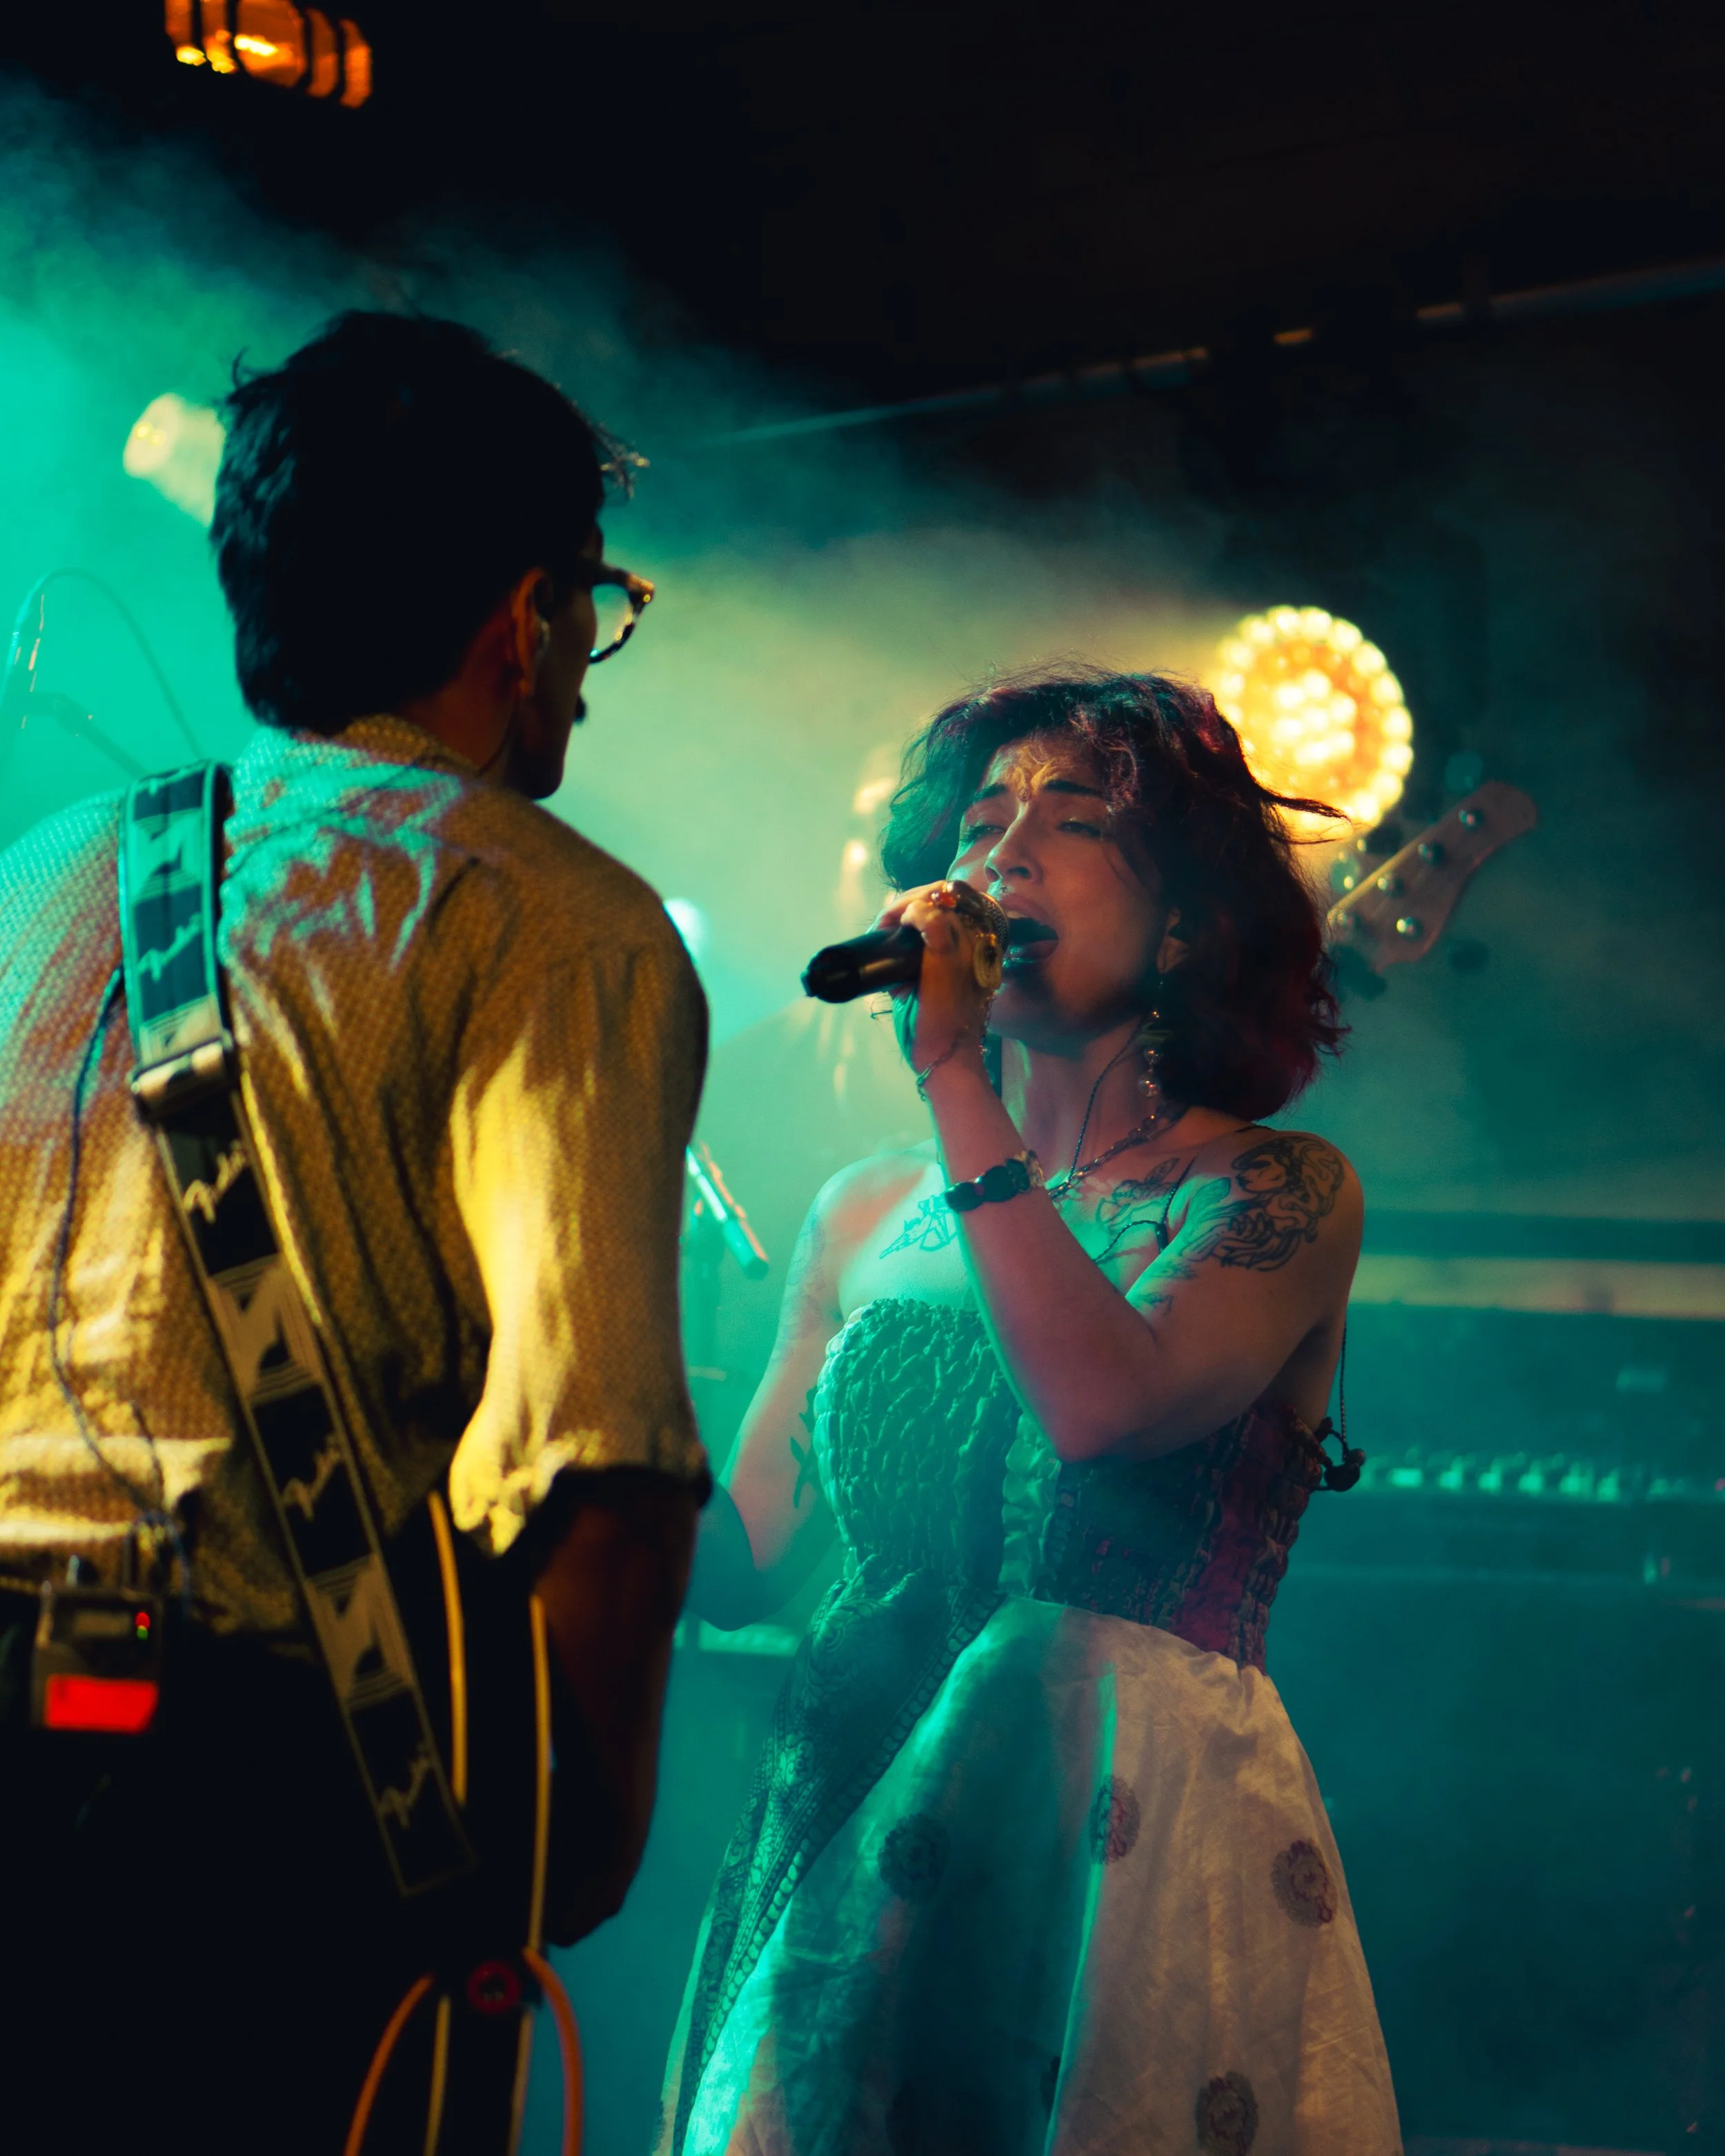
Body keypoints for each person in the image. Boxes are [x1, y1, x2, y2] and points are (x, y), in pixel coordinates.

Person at [0, 313, 708, 2153]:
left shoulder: (35, 871)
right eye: (591, 615)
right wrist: (569, 1846)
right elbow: (599, 1460)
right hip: (245, 1795)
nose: (582, 663)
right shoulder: (554, 920)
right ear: (524, 616)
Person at [659, 669, 1401, 2155]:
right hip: (845, 1816)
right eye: (981, 823)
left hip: (1123, 1843)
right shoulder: (861, 1209)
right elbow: (746, 1557)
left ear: (1183, 920)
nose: (1002, 857)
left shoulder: (1270, 1188)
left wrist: (951, 1077)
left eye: (1066, 824)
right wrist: (605, 1334)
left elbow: (1097, 1403)